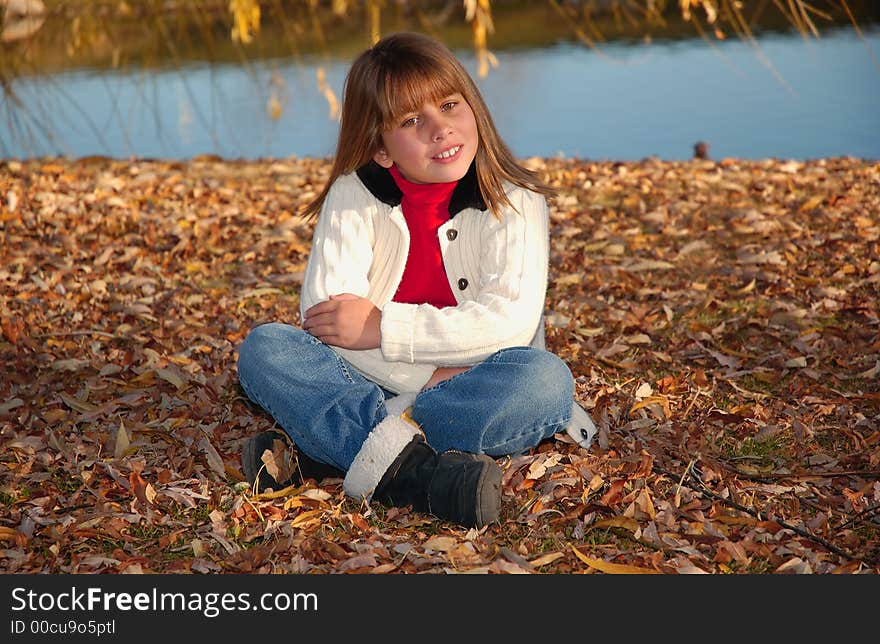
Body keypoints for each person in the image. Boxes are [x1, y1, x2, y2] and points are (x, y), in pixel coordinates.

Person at [236, 31, 596, 529]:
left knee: (544, 381)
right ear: (381, 149)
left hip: (471, 388)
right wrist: (425, 378)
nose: (441, 129)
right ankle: (420, 477)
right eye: (412, 121)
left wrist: (385, 328)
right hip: (378, 382)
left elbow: (509, 325)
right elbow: (328, 318)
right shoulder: (352, 193)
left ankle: (329, 450)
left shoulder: (516, 202)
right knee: (267, 348)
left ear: (473, 106)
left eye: (450, 105)